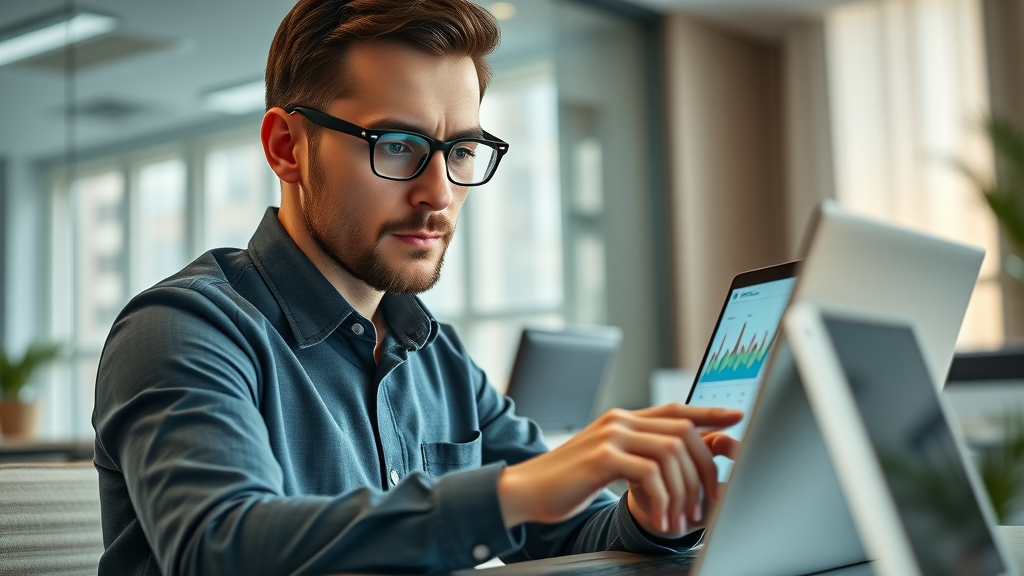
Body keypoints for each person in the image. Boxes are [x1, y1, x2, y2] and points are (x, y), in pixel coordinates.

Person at [92, 1, 743, 574]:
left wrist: (655, 514)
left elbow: (567, 527)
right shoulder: (181, 328)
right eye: (397, 144)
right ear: (287, 147)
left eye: (460, 151)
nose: (439, 194)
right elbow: (219, 546)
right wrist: (513, 493)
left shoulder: (438, 356)